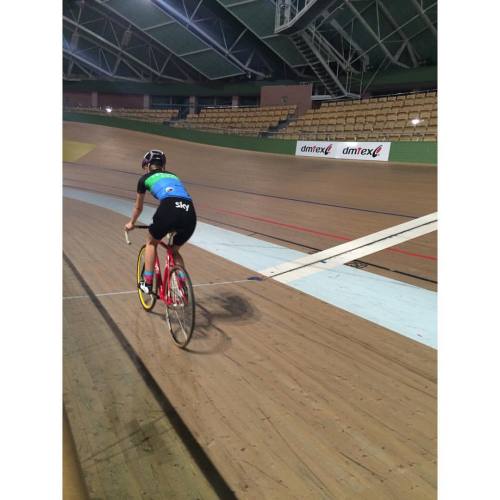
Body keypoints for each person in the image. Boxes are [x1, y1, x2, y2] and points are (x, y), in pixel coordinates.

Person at [124, 149, 197, 294]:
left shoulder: (144, 179)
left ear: (147, 166)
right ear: (163, 165)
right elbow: (178, 196)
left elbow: (138, 207)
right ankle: (183, 286)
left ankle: (148, 282)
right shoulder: (174, 176)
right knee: (174, 250)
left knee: (151, 242)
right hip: (190, 212)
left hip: (169, 208)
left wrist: (131, 222)